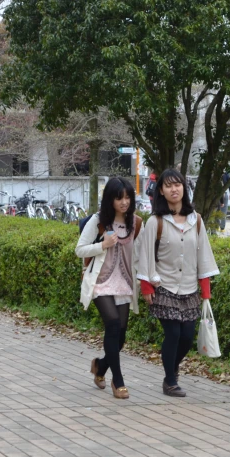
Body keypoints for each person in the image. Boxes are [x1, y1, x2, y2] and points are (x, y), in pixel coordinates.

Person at [137, 169, 219, 397]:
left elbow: (204, 257)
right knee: (173, 334)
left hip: (189, 289)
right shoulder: (155, 222)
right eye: (168, 186)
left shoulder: (197, 220)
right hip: (164, 287)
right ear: (161, 191)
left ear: (184, 188)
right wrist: (146, 287)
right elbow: (145, 255)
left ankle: (171, 367)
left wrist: (205, 293)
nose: (174, 189)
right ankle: (170, 381)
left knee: (186, 337)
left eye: (178, 184)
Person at [76, 177, 142, 399]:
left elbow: (139, 254)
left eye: (127, 197)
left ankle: (100, 366)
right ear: (109, 200)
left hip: (124, 282)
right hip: (100, 281)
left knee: (120, 335)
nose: (124, 202)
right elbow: (80, 250)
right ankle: (118, 380)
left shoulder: (136, 222)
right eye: (119, 198)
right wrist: (102, 244)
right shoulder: (99, 221)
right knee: (112, 322)